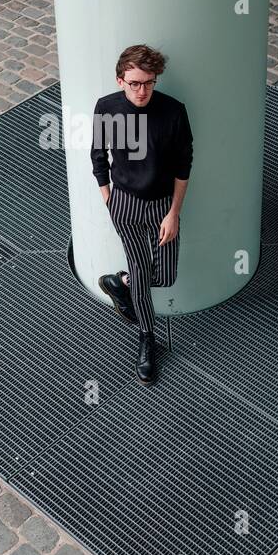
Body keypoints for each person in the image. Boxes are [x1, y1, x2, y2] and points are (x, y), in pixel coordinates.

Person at [90, 44, 193, 386]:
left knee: (165, 275)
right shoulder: (107, 108)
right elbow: (98, 157)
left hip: (163, 206)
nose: (142, 91)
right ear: (120, 80)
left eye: (148, 82)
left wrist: (174, 213)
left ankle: (120, 284)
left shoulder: (174, 112)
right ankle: (147, 338)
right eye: (134, 83)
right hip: (125, 206)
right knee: (140, 268)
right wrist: (109, 201)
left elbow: (183, 165)